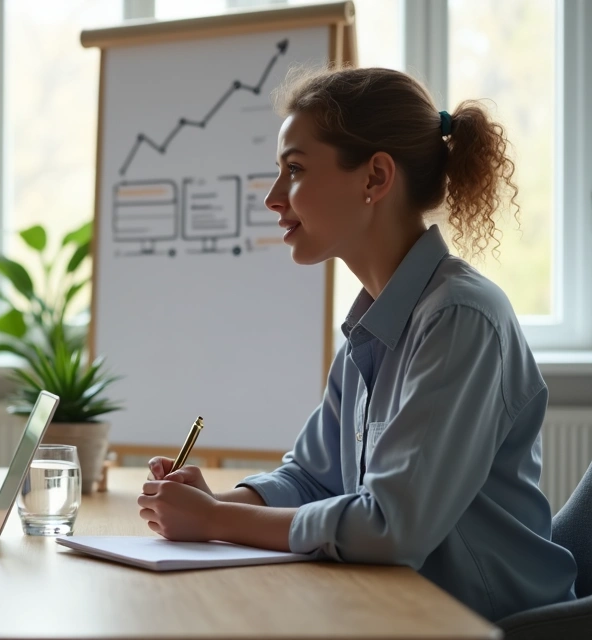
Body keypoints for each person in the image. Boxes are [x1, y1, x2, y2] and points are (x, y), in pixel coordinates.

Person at [140, 66, 577, 621]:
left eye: (294, 169)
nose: (274, 197)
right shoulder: (369, 331)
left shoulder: (461, 318)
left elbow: (390, 527)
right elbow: (310, 477)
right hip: (399, 611)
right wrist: (211, 504)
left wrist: (216, 522)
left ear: (374, 178)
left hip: (485, 625)